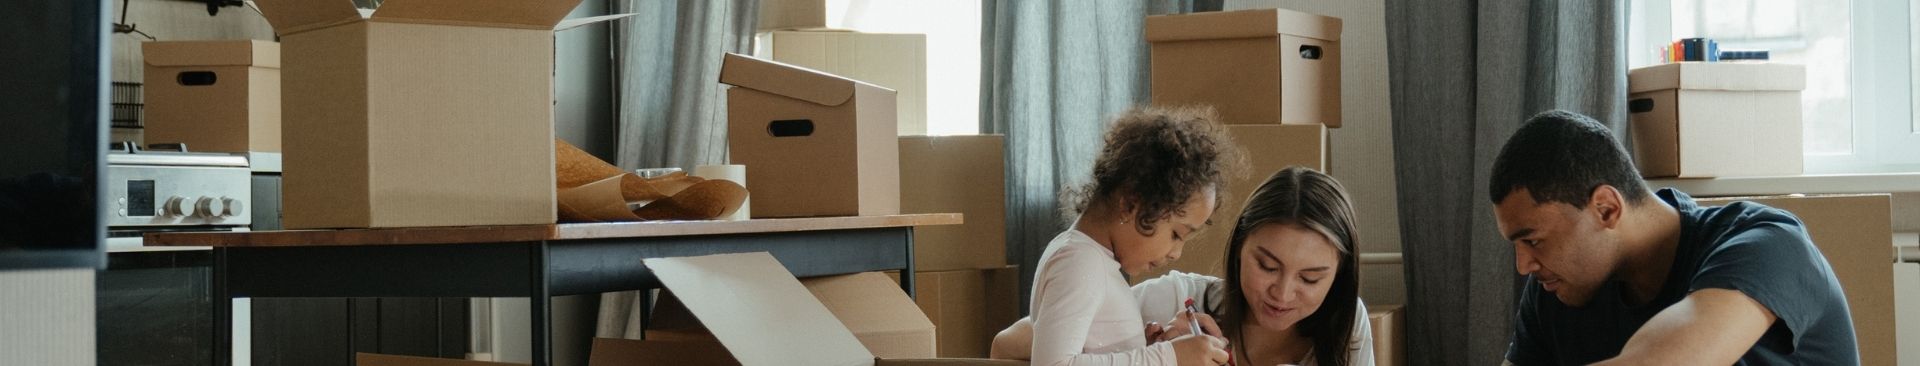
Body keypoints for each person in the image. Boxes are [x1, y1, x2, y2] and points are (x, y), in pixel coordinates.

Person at [1492, 110, 1858, 365]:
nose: (1524, 265)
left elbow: (1660, 361)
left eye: (1534, 240)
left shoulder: (1769, 247)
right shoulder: (1557, 287)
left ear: (1606, 208)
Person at [994, 167, 1375, 366]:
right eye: (1267, 266)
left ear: (1339, 275)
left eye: (1311, 278)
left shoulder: (1346, 322)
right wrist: (1144, 348)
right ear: (1240, 249)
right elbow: (1005, 346)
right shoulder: (1175, 296)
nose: (1284, 292)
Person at [1023, 106, 1239, 366]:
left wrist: (1145, 346)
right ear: (1131, 204)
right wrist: (1168, 357)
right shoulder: (1080, 262)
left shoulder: (1092, 261)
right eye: (1176, 234)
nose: (1176, 253)